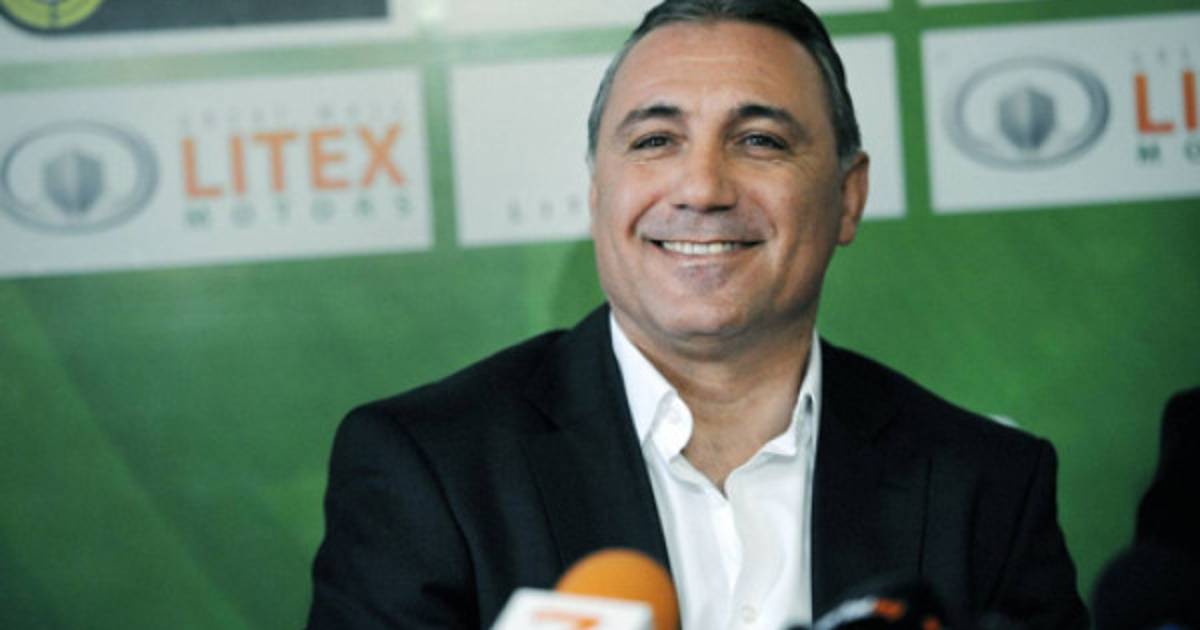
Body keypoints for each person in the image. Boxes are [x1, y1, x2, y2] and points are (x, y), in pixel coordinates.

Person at [306, 1, 1088, 628]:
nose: (703, 188)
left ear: (848, 197)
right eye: (656, 140)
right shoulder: (429, 469)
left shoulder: (986, 484)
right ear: (597, 194)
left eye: (760, 140)